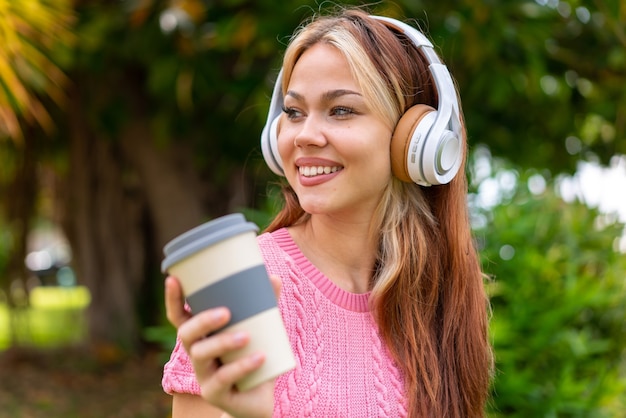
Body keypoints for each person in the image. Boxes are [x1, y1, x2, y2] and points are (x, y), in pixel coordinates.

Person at [162, 7, 493, 418]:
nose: (305, 136)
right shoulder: (248, 284)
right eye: (294, 112)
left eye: (341, 110)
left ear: (416, 139)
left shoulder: (438, 294)